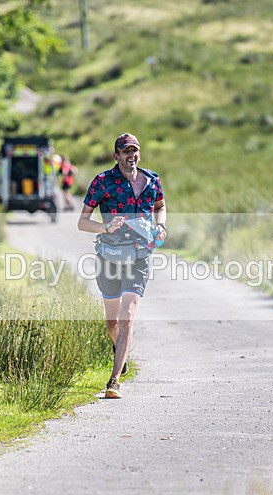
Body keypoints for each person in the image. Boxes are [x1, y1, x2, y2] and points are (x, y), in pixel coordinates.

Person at [77, 133, 167, 399]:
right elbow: (82, 222)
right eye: (125, 151)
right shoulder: (103, 182)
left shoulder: (152, 180)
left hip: (140, 257)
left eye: (135, 150)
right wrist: (105, 226)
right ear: (116, 155)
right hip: (110, 257)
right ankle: (121, 352)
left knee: (127, 316)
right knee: (112, 322)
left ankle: (113, 381)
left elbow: (161, 206)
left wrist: (161, 225)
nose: (131, 155)